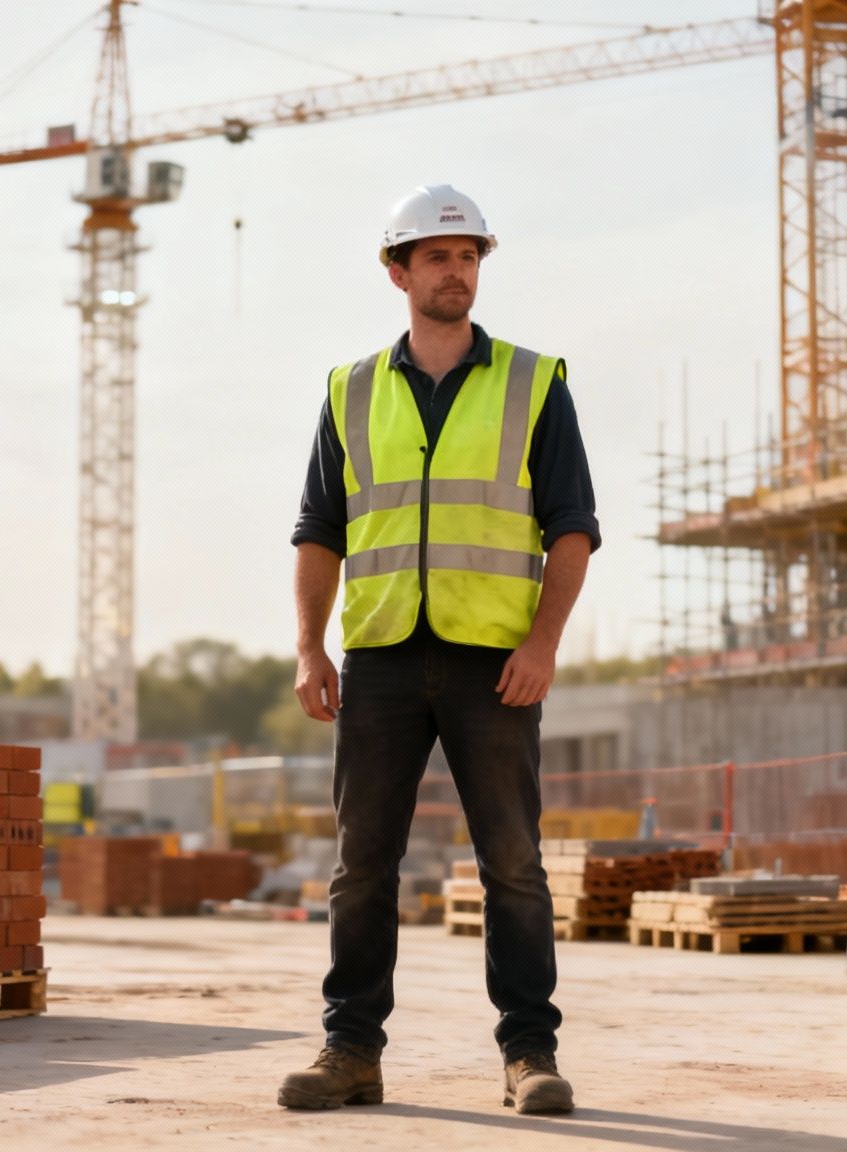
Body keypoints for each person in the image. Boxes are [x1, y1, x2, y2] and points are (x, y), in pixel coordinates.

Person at [278, 184, 600, 1116]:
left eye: (468, 257)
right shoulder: (350, 389)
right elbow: (318, 531)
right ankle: (350, 1052)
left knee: (512, 865)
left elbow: (571, 527)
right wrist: (309, 648)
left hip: (494, 659)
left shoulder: (536, 382)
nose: (456, 271)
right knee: (360, 866)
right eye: (437, 257)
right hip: (377, 655)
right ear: (399, 272)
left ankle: (529, 1056)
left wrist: (544, 641)